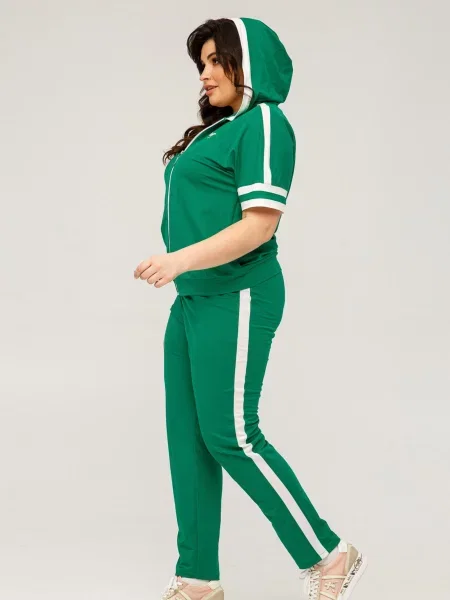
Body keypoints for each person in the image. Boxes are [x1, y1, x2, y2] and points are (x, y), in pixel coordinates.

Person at [133, 16, 368, 600]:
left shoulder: (264, 122)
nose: (206, 73)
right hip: (194, 299)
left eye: (218, 60)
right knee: (189, 440)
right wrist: (183, 270)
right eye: (202, 63)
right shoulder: (215, 131)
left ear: (249, 65)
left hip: (237, 294)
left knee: (232, 435)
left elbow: (260, 226)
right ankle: (198, 579)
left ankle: (329, 554)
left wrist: (179, 259)